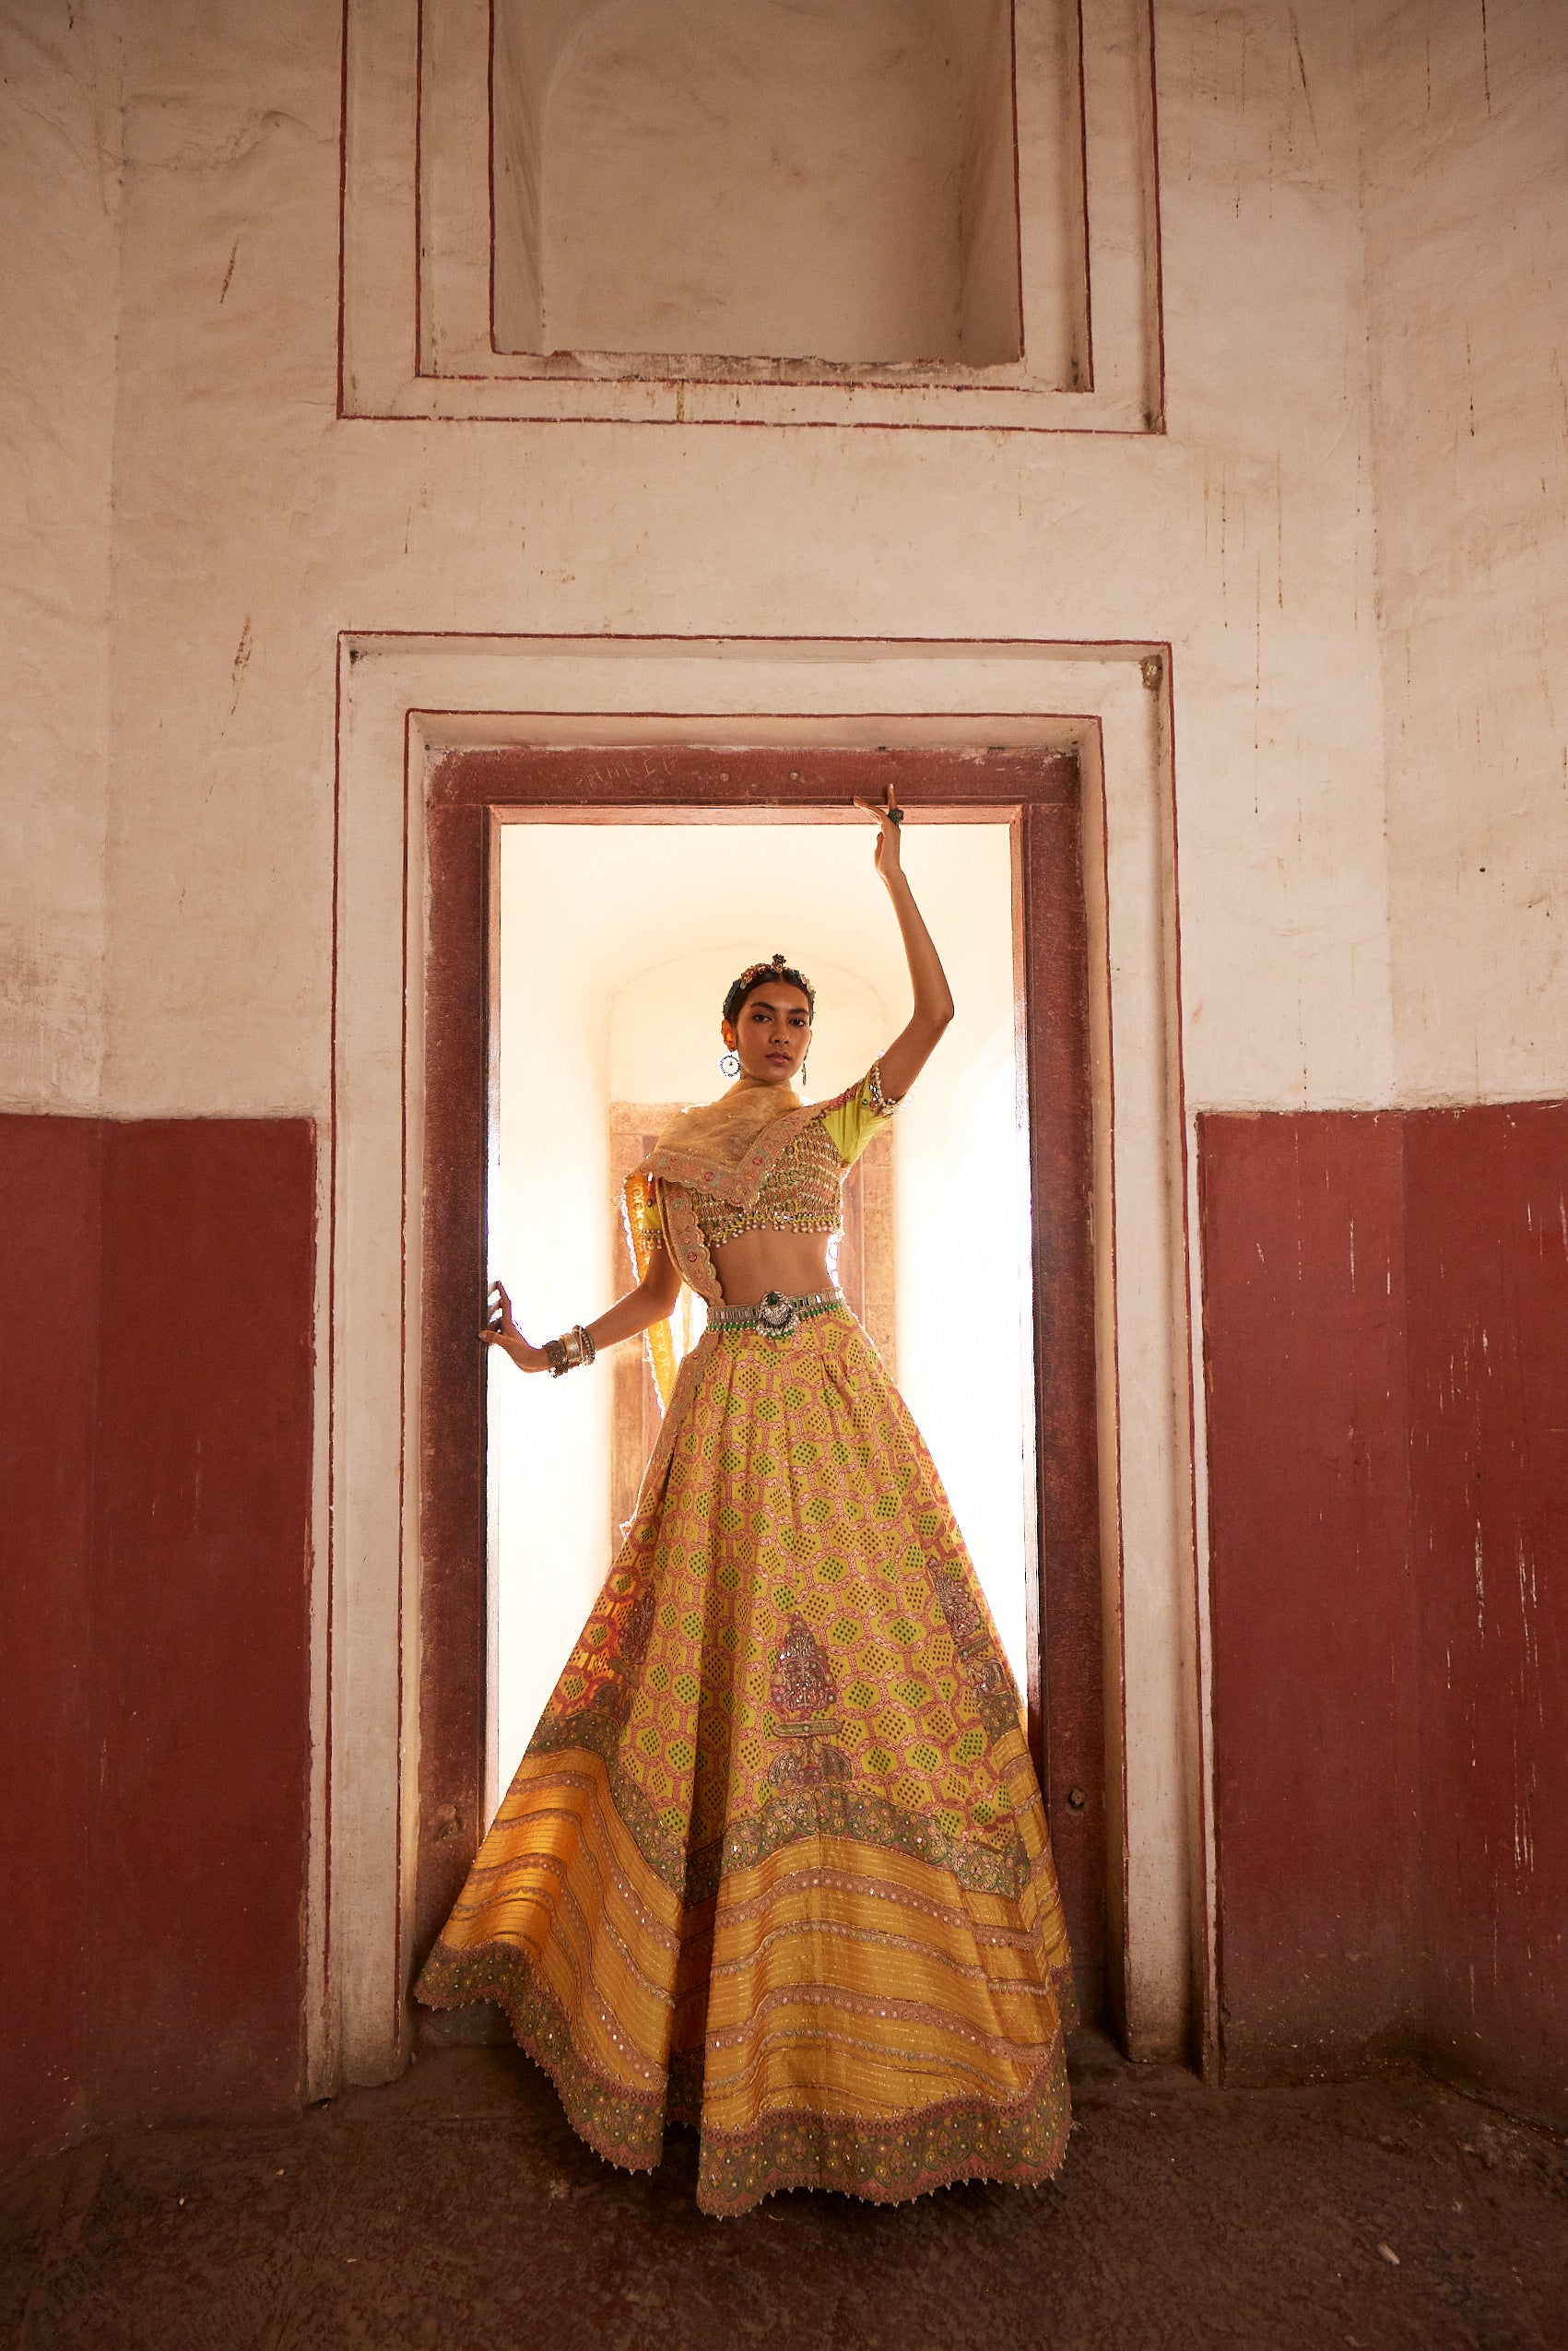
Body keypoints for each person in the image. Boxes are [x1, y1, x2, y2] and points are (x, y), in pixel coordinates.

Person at [415, 791, 1078, 2215]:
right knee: (711, 1683)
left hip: (832, 1393)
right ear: (728, 1031)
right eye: (762, 1016)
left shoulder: (834, 1124)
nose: (782, 1033)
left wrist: (895, 872)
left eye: (795, 1018)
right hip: (726, 1403)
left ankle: (894, 2023)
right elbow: (663, 1296)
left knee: (866, 1669)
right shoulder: (673, 1165)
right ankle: (689, 2020)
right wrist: (549, 1351)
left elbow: (942, 1011)